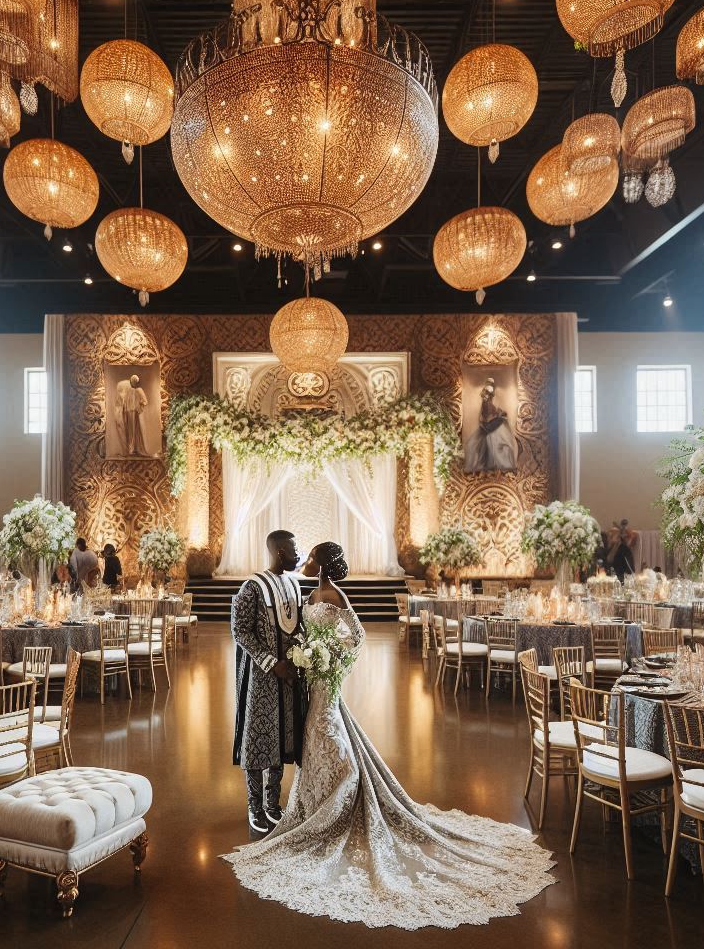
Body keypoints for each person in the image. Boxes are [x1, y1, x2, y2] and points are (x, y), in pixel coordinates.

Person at [223, 541, 555, 929]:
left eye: (311, 557)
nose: (305, 561)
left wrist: (332, 666)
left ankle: (341, 801)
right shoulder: (303, 592)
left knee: (329, 739)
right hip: (307, 683)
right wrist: (304, 657)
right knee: (313, 743)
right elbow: (289, 633)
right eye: (301, 554)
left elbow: (357, 637)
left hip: (324, 682)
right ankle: (311, 804)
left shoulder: (333, 593)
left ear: (324, 564)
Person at [230, 530, 307, 837]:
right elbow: (240, 631)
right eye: (293, 550)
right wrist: (271, 662)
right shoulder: (252, 587)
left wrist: (299, 657)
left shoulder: (292, 584)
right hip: (261, 677)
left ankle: (273, 804)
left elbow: (298, 626)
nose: (297, 555)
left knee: (280, 738)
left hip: (288, 675)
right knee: (258, 739)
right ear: (278, 552)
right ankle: (254, 806)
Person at [463, 376, 518, 472]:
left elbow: (488, 414)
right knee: (486, 445)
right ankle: (490, 466)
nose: (488, 395)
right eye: (488, 393)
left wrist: (497, 414)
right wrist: (496, 415)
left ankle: (495, 466)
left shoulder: (488, 402)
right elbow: (486, 415)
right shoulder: (486, 401)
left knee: (497, 444)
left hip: (490, 424)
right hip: (489, 425)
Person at [115, 374, 149, 457]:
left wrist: (139, 404)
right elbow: (124, 402)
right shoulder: (129, 390)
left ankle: (133, 449)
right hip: (127, 412)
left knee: (133, 430)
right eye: (132, 381)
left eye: (134, 381)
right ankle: (130, 449)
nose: (132, 382)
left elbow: (145, 401)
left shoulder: (139, 390)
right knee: (128, 430)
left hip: (133, 412)